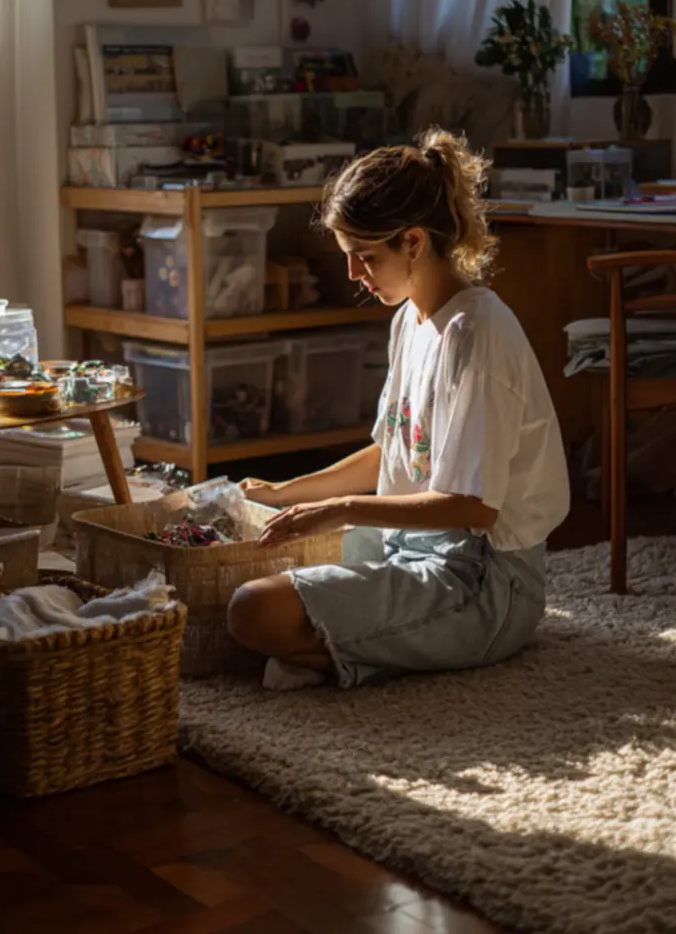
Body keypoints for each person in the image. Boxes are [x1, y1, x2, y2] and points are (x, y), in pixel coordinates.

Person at [228, 128, 569, 691]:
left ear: (413, 241)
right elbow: (395, 451)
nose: (353, 276)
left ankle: (354, 654)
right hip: (407, 548)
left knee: (249, 610)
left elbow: (473, 509)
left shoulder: (476, 333)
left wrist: (338, 509)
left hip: (482, 581)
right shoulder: (408, 320)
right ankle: (355, 651)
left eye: (364, 257)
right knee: (245, 572)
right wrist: (285, 493)